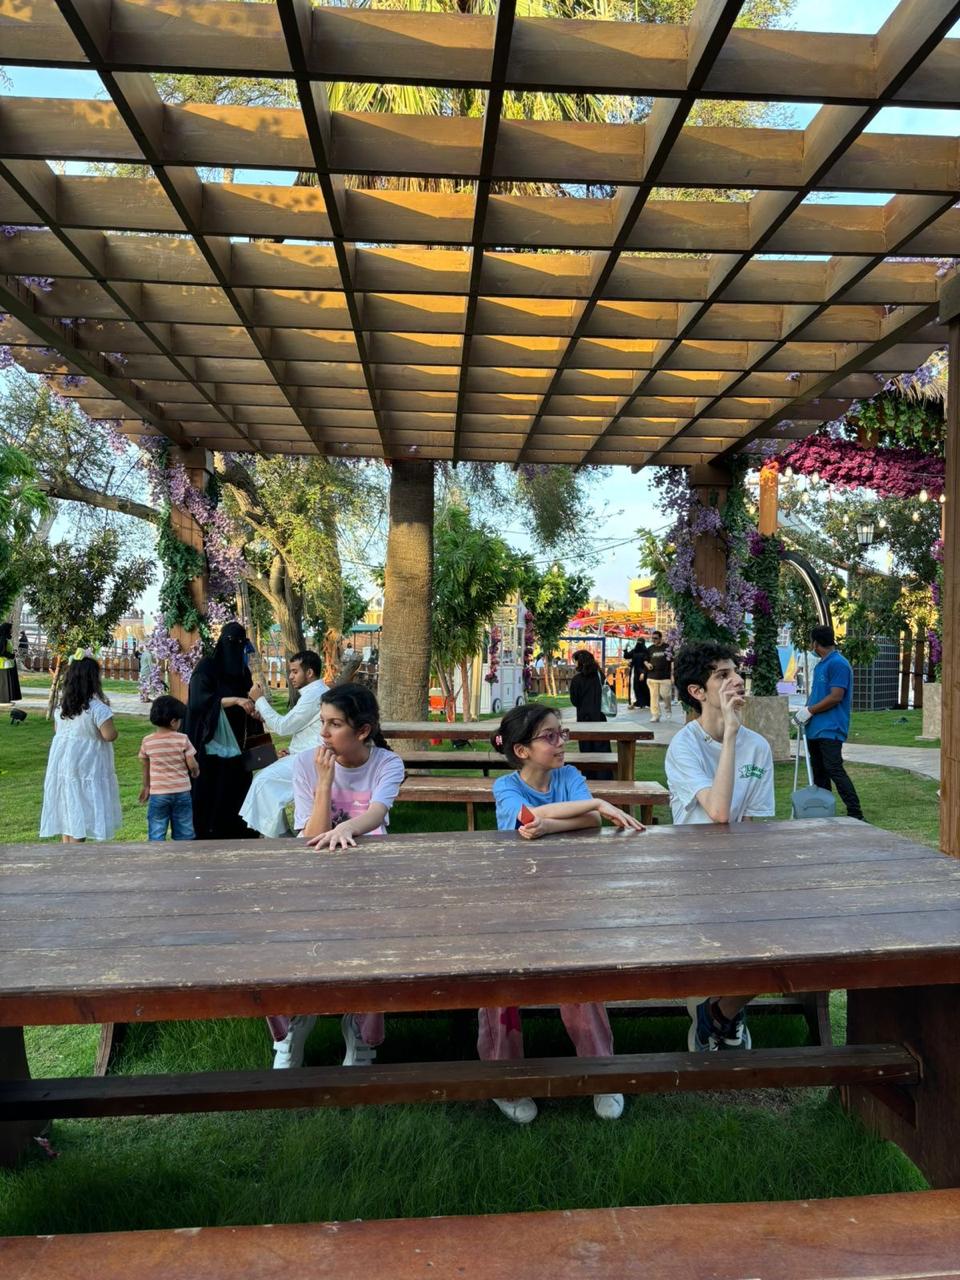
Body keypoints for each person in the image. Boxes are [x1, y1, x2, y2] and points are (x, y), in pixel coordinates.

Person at [484, 703, 645, 1125]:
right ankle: (505, 1078)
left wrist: (559, 822)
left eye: (562, 733)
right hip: (513, 903)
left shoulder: (568, 776)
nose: (561, 743)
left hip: (567, 899)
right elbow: (525, 819)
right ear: (522, 750)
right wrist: (594, 804)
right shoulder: (505, 786)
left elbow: (589, 821)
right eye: (550, 736)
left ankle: (601, 1070)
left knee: (579, 977)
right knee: (501, 982)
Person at [269, 684, 405, 1070]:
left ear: (362, 731)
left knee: (372, 945)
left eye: (334, 724)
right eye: (322, 722)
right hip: (315, 874)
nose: (324, 733)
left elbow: (376, 813)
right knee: (284, 940)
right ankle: (294, 1022)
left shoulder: (387, 763)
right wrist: (324, 782)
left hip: (369, 873)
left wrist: (347, 828)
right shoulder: (305, 764)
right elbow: (310, 836)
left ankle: (361, 1026)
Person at [665, 641, 775, 1053]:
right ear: (698, 692)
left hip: (741, 869)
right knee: (711, 956)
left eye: (736, 672)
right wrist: (730, 734)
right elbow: (718, 811)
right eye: (722, 675)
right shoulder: (684, 746)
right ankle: (715, 1017)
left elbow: (753, 822)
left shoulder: (758, 746)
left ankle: (719, 1014)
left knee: (786, 938)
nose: (736, 680)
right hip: (692, 873)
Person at [182, 621, 259, 840]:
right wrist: (235, 700)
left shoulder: (242, 671)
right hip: (209, 737)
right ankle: (207, 829)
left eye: (239, 643)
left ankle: (235, 827)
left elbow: (247, 697)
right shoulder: (207, 667)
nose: (234, 647)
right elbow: (199, 701)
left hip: (236, 738)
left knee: (235, 780)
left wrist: (252, 707)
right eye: (231, 642)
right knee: (210, 782)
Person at [239, 650, 328, 837]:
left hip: (313, 759)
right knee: (265, 785)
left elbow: (283, 727)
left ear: (309, 673)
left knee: (263, 782)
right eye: (290, 672)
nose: (291, 676)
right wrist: (264, 717)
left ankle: (282, 839)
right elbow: (304, 728)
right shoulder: (315, 693)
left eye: (295, 672)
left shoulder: (314, 695)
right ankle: (283, 837)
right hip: (306, 754)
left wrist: (259, 699)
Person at [39, 652, 122, 843]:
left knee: (68, 805)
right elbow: (109, 735)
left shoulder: (63, 707)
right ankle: (76, 855)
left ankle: (67, 849)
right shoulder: (97, 708)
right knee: (83, 808)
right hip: (86, 764)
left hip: (64, 763)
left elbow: (57, 730)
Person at [795, 625, 863, 821]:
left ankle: (855, 812)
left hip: (831, 728)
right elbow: (819, 694)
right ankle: (824, 811)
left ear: (815, 643)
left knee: (834, 769)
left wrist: (810, 710)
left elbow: (836, 696)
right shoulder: (821, 665)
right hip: (815, 728)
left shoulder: (838, 664)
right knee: (819, 772)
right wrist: (804, 713)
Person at [138, 695, 199, 840]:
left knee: (157, 830)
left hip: (158, 794)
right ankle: (184, 852)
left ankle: (157, 852)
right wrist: (195, 771)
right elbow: (191, 763)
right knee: (184, 830)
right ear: (173, 722)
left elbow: (145, 766)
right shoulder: (182, 739)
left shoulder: (147, 741)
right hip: (182, 792)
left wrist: (146, 787)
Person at [568, 648, 613, 779]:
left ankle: (589, 777)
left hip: (583, 718)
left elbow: (574, 700)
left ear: (580, 662)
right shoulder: (599, 676)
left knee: (586, 750)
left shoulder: (577, 680)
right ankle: (605, 776)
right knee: (602, 749)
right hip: (599, 716)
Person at [645, 630, 673, 722]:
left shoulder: (667, 647)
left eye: (656, 638)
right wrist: (647, 664)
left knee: (666, 695)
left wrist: (672, 674)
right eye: (652, 638)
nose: (653, 640)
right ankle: (655, 715)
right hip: (652, 676)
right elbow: (645, 660)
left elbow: (672, 661)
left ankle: (668, 709)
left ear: (661, 638)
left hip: (665, 677)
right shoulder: (650, 649)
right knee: (654, 697)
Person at [623, 637, 650, 710]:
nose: (638, 644)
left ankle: (644, 703)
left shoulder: (646, 652)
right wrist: (625, 649)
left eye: (640, 642)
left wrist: (643, 673)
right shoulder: (634, 650)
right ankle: (634, 702)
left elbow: (646, 662)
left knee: (643, 688)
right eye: (638, 642)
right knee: (634, 687)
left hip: (642, 672)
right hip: (634, 672)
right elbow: (626, 656)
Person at [0, 622, 22, 704]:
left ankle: (6, 698)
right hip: (3, 664)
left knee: (7, 682)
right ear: (6, 629)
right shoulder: (2, 639)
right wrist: (11, 655)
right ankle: (3, 699)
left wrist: (13, 652)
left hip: (8, 663)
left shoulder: (6, 638)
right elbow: (1, 652)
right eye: (10, 629)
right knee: (4, 683)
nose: (11, 630)